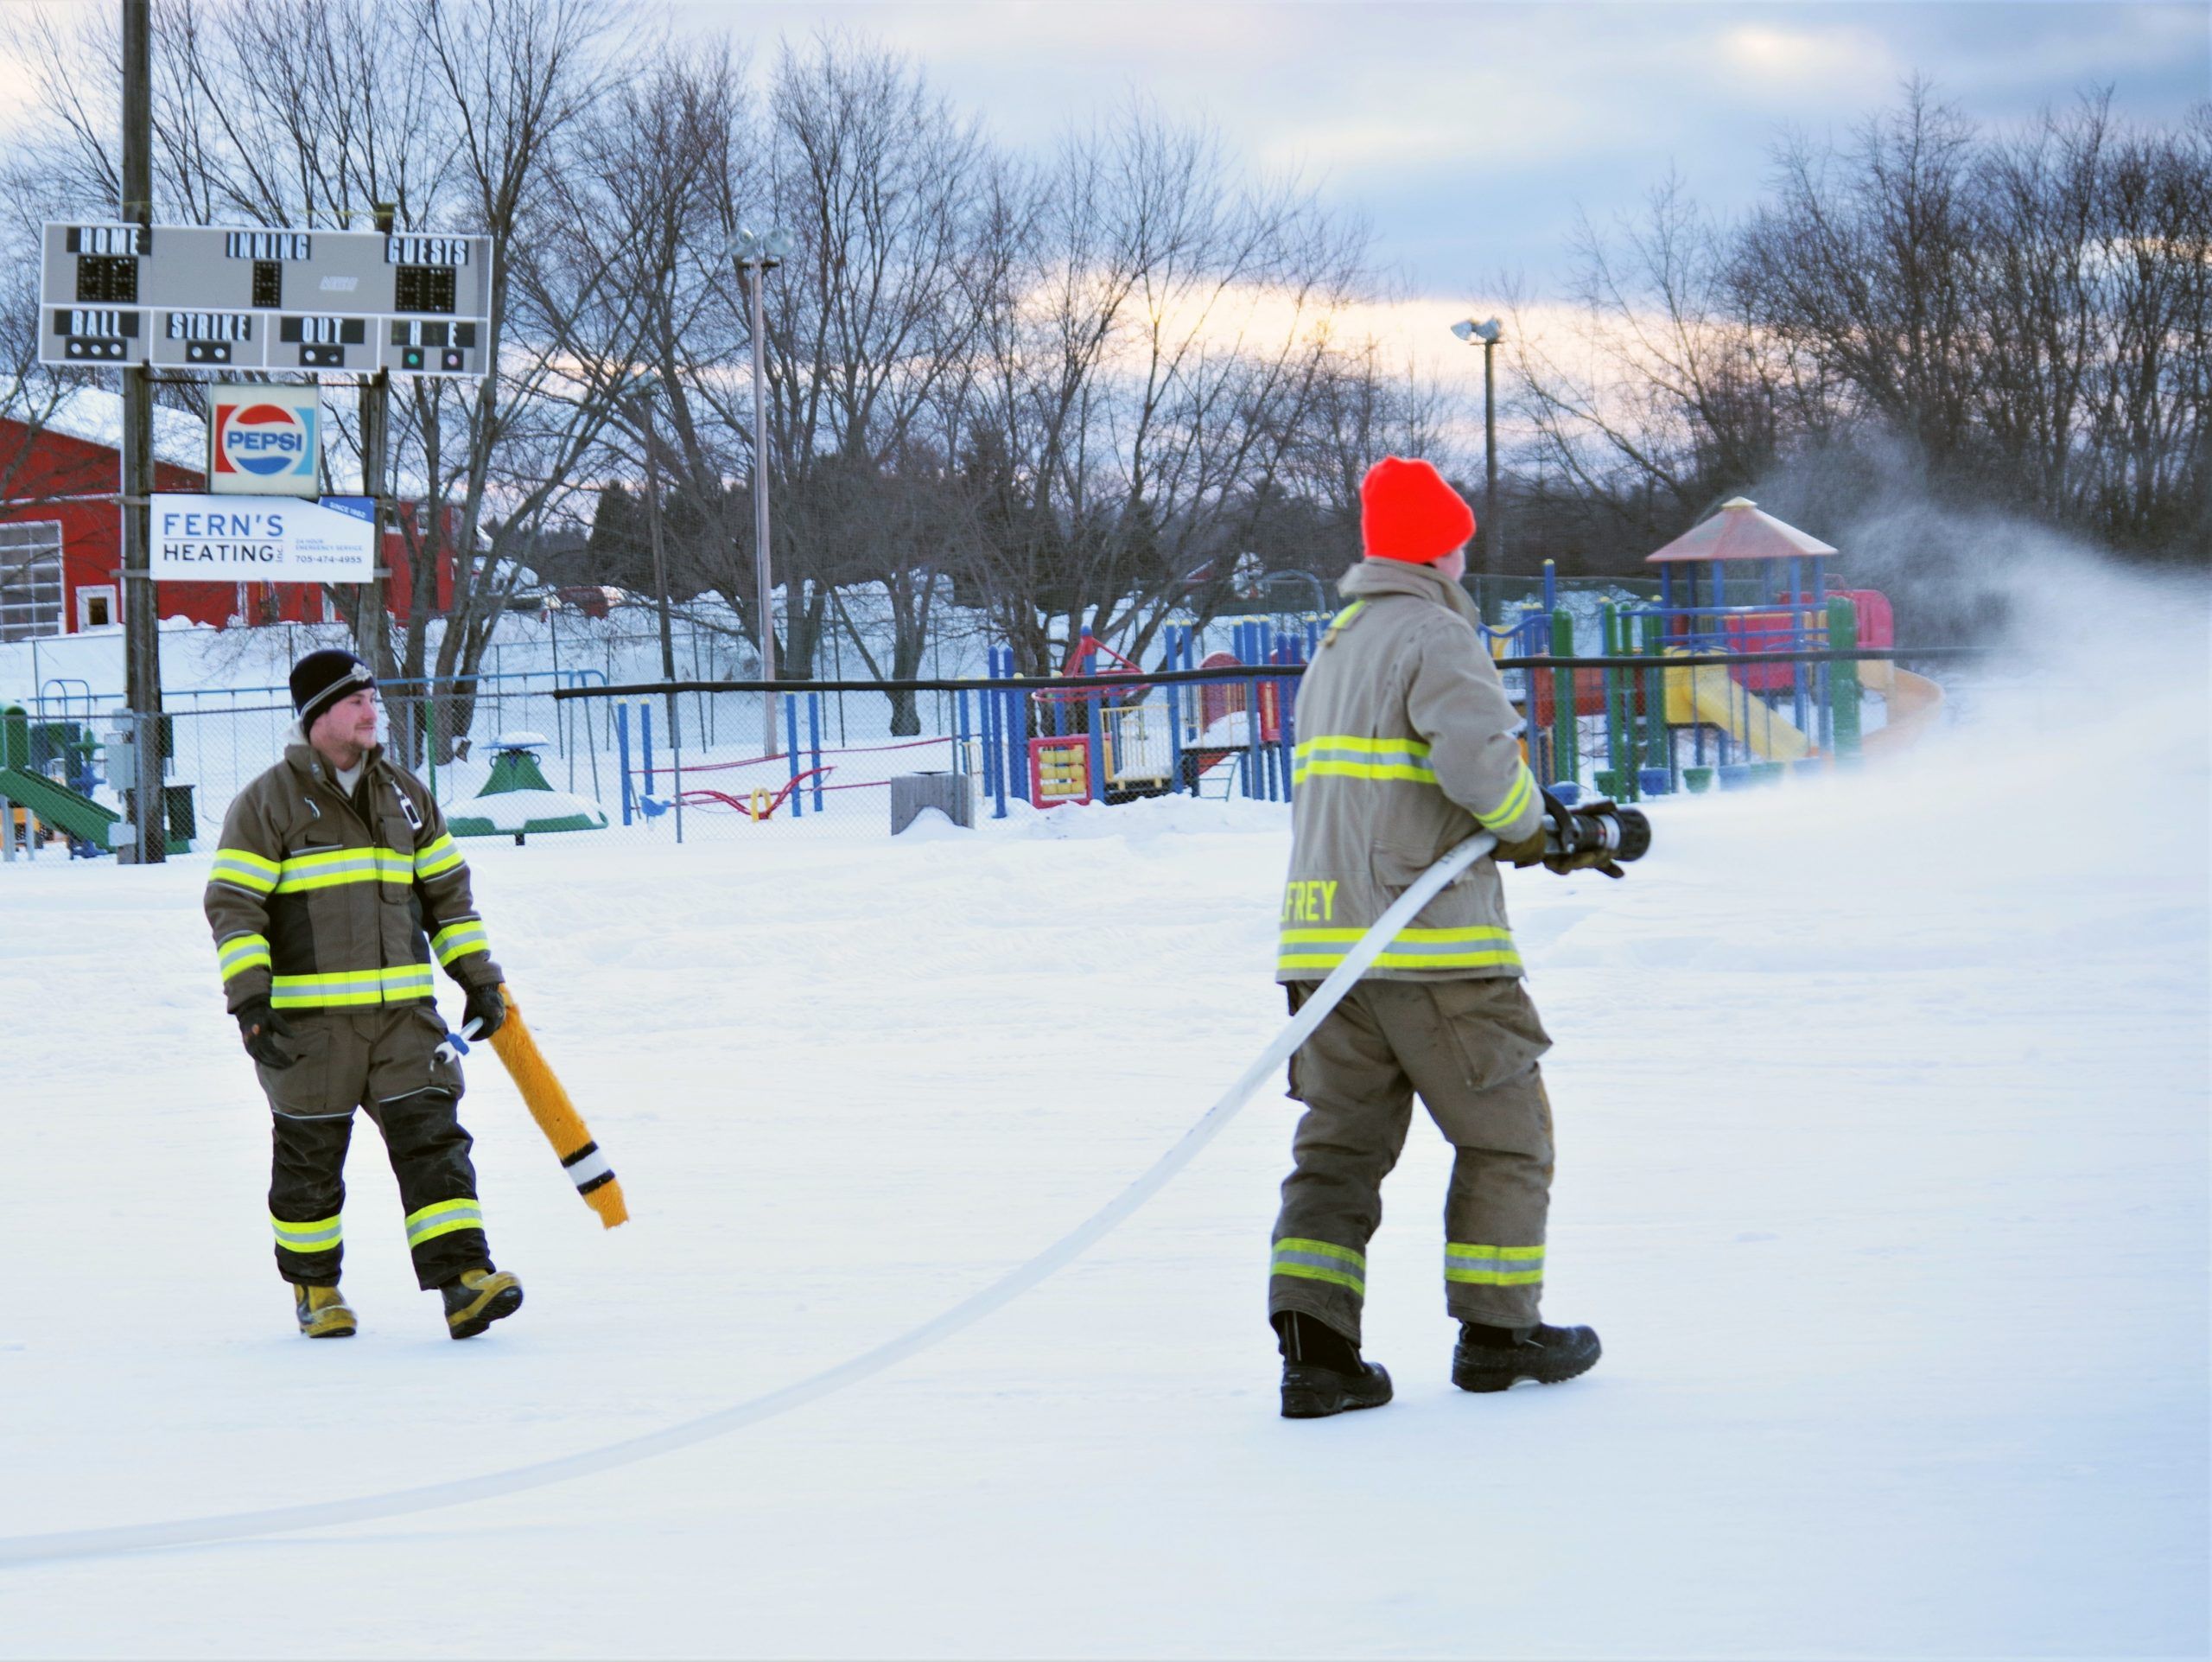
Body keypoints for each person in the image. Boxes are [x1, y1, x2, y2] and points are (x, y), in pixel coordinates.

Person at [1268, 456, 1612, 1419]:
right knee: (1508, 1139)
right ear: (1442, 544)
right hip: (1431, 949)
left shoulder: (1339, 641)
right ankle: (1500, 1335)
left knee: (1336, 1152)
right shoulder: (1437, 630)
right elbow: (1479, 764)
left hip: (1327, 953)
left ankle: (1317, 1355)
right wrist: (1542, 829)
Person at [205, 648, 523, 1340]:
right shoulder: (266, 804)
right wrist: (251, 1002)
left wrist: (478, 976)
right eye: (356, 700)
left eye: (372, 697)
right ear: (319, 716)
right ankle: (316, 1288)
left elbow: (449, 899)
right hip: (310, 1031)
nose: (371, 709)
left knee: (436, 1146)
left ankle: (465, 1282)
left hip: (405, 1025)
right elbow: (234, 906)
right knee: (309, 1165)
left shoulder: (406, 793)